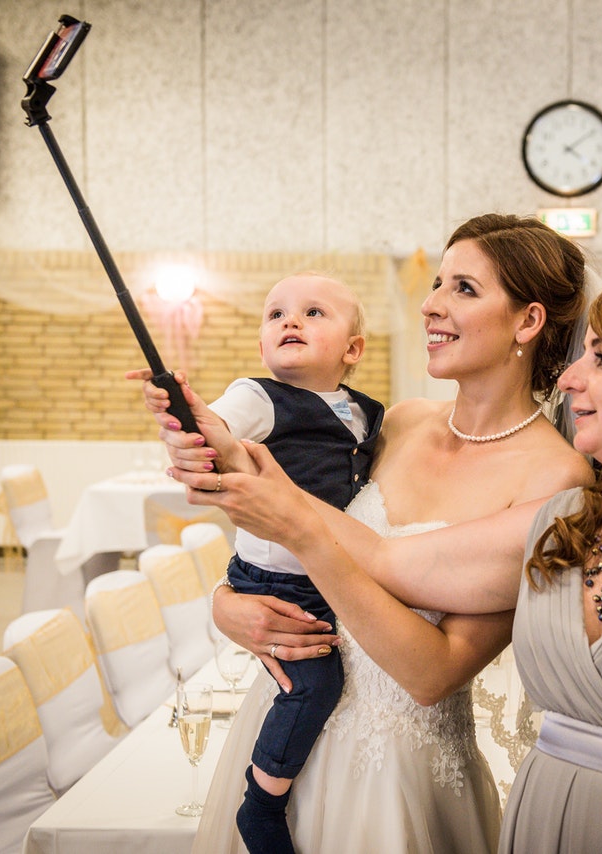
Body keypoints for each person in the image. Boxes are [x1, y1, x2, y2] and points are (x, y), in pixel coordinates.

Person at [165, 265, 602, 851]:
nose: (573, 377)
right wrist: (236, 522)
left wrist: (277, 506)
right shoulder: (566, 523)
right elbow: (386, 558)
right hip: (543, 823)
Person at [146, 213, 595, 854]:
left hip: (399, 771)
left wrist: (294, 523)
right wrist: (230, 602)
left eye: (463, 289)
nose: (431, 304)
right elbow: (301, 536)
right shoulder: (404, 423)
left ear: (528, 321)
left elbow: (432, 672)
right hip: (286, 723)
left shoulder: (558, 480)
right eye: (438, 283)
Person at [135, 272, 384, 854]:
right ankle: (263, 804)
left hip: (326, 573)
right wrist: (181, 414)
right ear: (262, 344)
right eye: (276, 315)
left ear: (353, 350)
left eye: (313, 312)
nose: (290, 321)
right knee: (314, 683)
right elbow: (211, 432)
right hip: (278, 580)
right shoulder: (257, 397)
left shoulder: (368, 414)